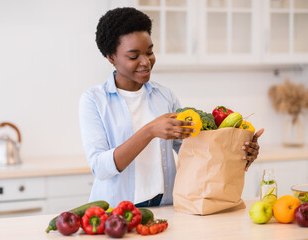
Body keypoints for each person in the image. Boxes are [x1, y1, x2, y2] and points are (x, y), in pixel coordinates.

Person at [79, 7, 263, 208]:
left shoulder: (164, 96)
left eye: (149, 51)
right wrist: (150, 130)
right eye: (134, 56)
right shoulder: (94, 100)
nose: (145, 62)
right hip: (116, 212)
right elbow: (100, 167)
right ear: (111, 57)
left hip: (166, 206)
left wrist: (237, 151)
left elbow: (194, 151)